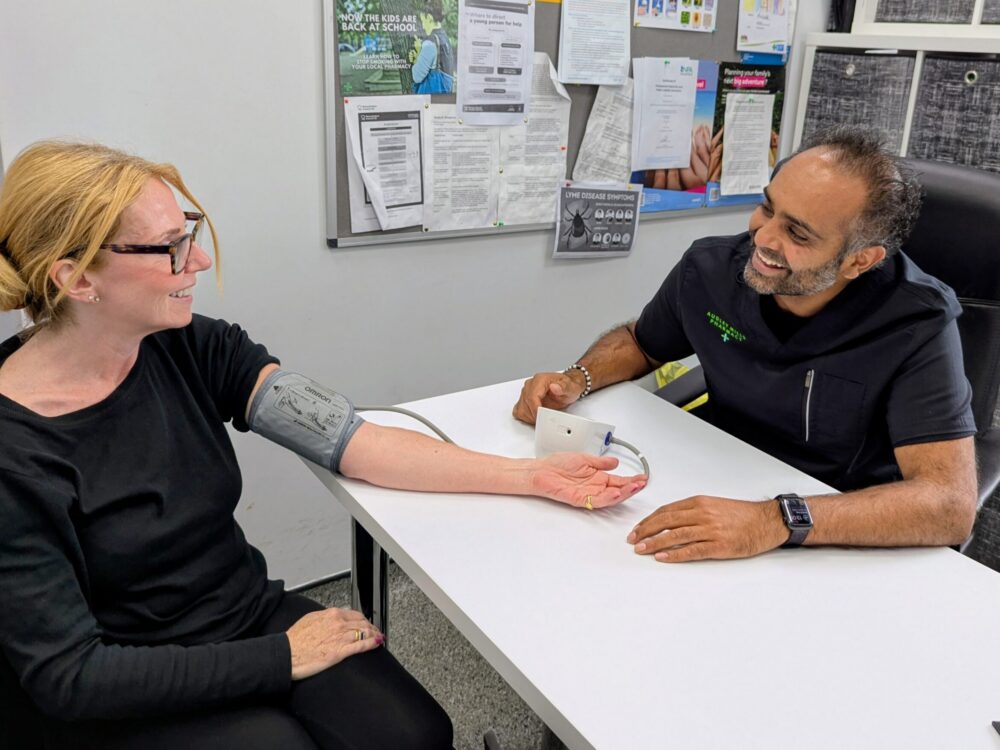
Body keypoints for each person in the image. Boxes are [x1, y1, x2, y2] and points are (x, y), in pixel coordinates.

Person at [0, 141, 646, 750]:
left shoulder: (191, 344)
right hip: (125, 671)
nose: (198, 261)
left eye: (190, 233)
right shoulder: (14, 450)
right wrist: (282, 657)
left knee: (412, 734)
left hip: (241, 612)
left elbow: (354, 441)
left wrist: (527, 476)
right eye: (171, 247)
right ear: (77, 279)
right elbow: (71, 677)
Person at [513, 126, 978, 564]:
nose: (763, 237)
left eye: (797, 233)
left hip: (833, 521)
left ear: (860, 260)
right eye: (768, 207)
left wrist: (774, 520)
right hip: (713, 473)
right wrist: (578, 378)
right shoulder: (712, 267)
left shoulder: (918, 322)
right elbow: (642, 341)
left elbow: (949, 505)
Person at [410, 0, 454, 95]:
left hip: (430, 98)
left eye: (423, 21)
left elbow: (417, 76)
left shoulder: (430, 42)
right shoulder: (445, 38)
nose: (423, 26)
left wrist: (416, 58)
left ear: (429, 18)